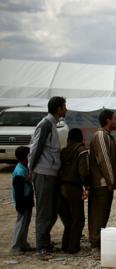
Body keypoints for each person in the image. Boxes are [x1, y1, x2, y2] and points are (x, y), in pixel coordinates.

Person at [28, 96, 67, 259]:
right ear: (58, 108)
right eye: (64, 106)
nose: (66, 109)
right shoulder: (45, 124)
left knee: (52, 211)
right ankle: (41, 248)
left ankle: (45, 242)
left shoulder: (52, 124)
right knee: (44, 211)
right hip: (43, 173)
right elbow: (35, 148)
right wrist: (31, 170)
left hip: (51, 173)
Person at [88, 109, 116, 250]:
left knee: (103, 213)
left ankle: (98, 240)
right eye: (114, 119)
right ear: (108, 120)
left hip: (105, 183)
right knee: (98, 213)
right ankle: (95, 241)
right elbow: (104, 160)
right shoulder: (101, 135)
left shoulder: (106, 136)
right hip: (101, 183)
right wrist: (110, 181)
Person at [59, 128, 90, 254]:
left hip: (61, 187)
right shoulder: (81, 151)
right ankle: (73, 247)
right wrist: (87, 187)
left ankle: (65, 245)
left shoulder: (63, 151)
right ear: (82, 139)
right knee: (78, 218)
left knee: (68, 219)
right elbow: (84, 172)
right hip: (73, 188)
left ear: (69, 139)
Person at [10, 146, 34, 255]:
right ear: (26, 157)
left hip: (27, 200)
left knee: (25, 223)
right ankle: (15, 246)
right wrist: (19, 204)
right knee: (21, 224)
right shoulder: (19, 171)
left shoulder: (24, 168)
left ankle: (23, 243)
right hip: (23, 202)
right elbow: (19, 190)